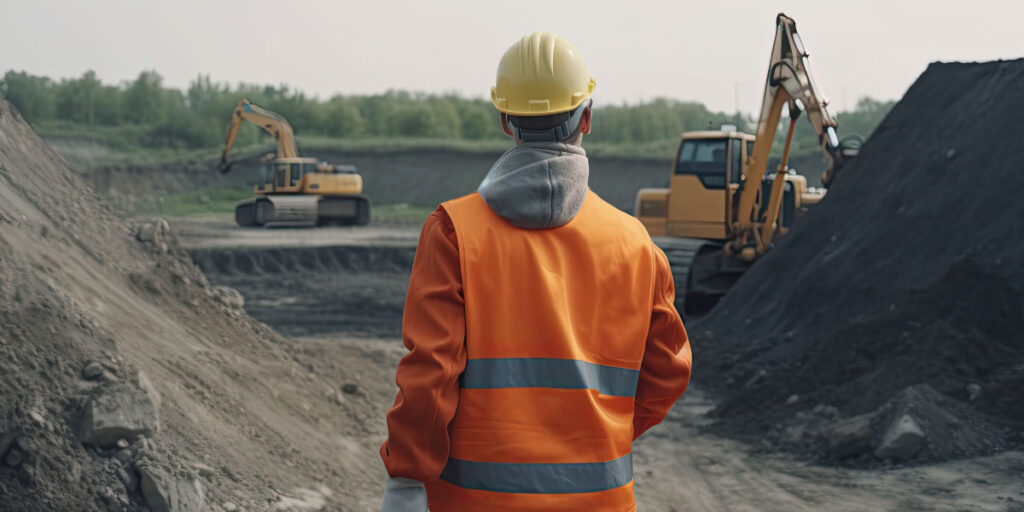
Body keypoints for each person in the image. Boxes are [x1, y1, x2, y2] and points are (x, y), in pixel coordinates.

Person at [380, 32, 691, 512]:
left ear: (505, 121)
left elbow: (431, 375)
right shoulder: (636, 245)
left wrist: (405, 479)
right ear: (586, 116)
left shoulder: (453, 232)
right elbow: (668, 371)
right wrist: (600, 430)